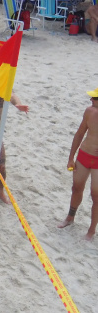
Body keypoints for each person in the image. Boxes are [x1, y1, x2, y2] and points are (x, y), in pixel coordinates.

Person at [59, 88, 98, 239]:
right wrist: (71, 157)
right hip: (84, 154)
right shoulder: (89, 111)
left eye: (94, 98)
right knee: (76, 188)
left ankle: (91, 230)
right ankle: (70, 217)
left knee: (96, 196)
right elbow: (80, 133)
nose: (91, 100)